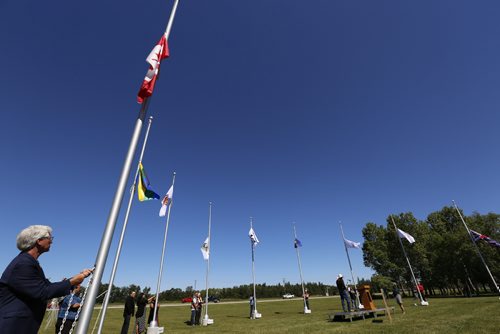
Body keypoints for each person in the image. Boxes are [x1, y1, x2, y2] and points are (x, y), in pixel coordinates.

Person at [0, 225, 92, 334]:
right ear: (39, 241)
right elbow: (42, 292)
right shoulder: (23, 264)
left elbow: (48, 287)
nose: (51, 241)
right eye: (49, 238)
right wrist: (72, 282)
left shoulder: (29, 262)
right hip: (13, 326)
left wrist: (78, 277)